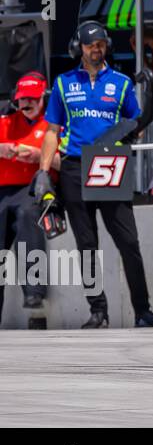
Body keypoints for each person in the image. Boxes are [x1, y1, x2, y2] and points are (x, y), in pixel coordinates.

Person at [34, 21, 153, 329]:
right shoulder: (64, 83)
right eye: (89, 45)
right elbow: (52, 131)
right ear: (78, 48)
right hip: (73, 167)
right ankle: (98, 311)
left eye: (100, 45)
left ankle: (143, 310)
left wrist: (133, 125)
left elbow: (136, 123)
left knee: (128, 240)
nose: (96, 50)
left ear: (106, 45)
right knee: (86, 244)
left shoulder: (121, 83)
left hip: (110, 164)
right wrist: (43, 172)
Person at [0, 73, 54, 319]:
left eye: (33, 99)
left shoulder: (51, 125)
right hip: (3, 190)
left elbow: (65, 158)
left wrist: (38, 156)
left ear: (43, 98)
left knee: (26, 215)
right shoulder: (6, 123)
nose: (27, 104)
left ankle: (34, 291)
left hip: (33, 188)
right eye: (23, 100)